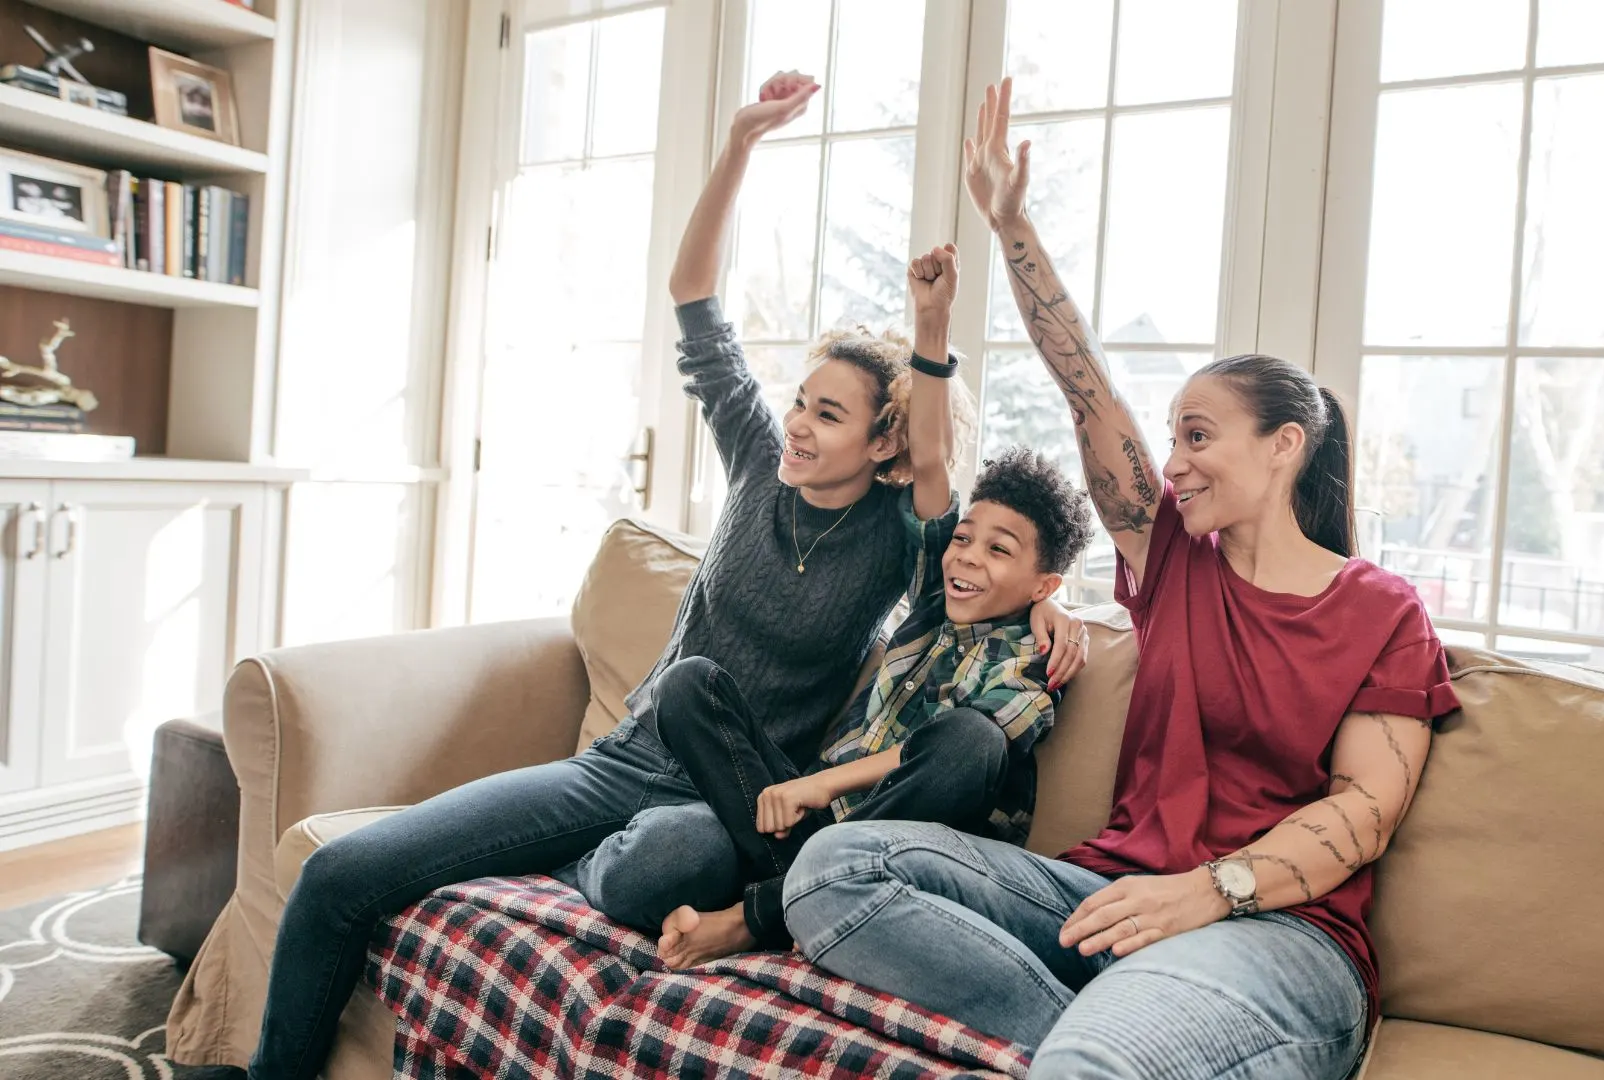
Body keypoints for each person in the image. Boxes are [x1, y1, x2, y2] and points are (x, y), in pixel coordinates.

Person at [236, 71, 1087, 1080]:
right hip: (626, 758)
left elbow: (952, 485)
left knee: (672, 860)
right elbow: (694, 297)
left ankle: (610, 873)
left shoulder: (899, 536)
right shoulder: (753, 462)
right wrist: (737, 143)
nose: (797, 425)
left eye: (827, 414)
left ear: (879, 440)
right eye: (799, 401)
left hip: (742, 802)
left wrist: (1050, 588)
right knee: (342, 872)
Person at [782, 77, 1461, 1080]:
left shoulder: (1381, 613)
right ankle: (1099, 1038)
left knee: (1102, 1058)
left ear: (1282, 449)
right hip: (1105, 897)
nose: (1173, 461)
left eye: (1198, 436)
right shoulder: (1176, 561)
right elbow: (1084, 386)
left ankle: (1111, 1047)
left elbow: (1360, 816)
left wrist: (1211, 891)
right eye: (1171, 437)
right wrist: (1012, 228)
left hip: (1279, 934)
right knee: (831, 871)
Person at [656, 419, 1097, 966]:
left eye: (999, 550)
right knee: (688, 683)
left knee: (971, 739)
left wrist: (818, 785)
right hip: (809, 827)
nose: (967, 556)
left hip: (904, 843)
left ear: (1044, 586)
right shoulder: (935, 603)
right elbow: (931, 470)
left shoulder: (1035, 656)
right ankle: (799, 893)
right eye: (964, 538)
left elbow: (961, 752)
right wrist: (809, 791)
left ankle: (757, 917)